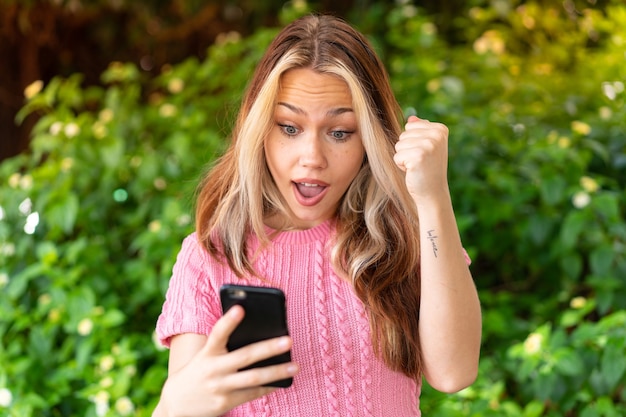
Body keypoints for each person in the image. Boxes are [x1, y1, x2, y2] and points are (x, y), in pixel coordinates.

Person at [152, 13, 481, 417]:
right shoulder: (214, 256)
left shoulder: (402, 237)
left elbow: (454, 372)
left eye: (339, 132)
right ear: (261, 129)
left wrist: (432, 197)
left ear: (370, 139)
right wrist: (173, 405)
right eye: (289, 127)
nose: (312, 159)